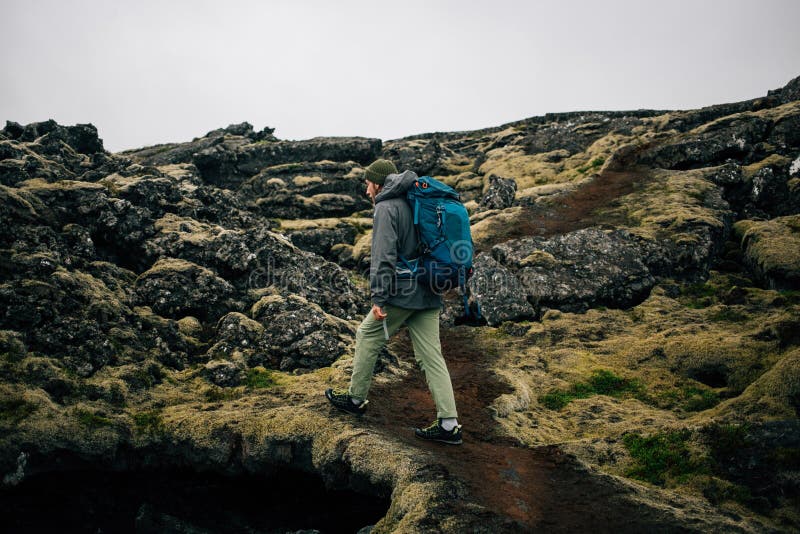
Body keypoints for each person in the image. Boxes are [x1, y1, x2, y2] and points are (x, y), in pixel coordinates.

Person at [325, 159, 462, 445]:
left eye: (367, 184)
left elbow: (383, 256)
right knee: (431, 356)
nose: (366, 191)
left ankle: (355, 398)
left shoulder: (386, 208)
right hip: (428, 287)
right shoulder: (415, 199)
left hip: (402, 291)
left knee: (366, 335)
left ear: (378, 182)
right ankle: (449, 424)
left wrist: (379, 297)